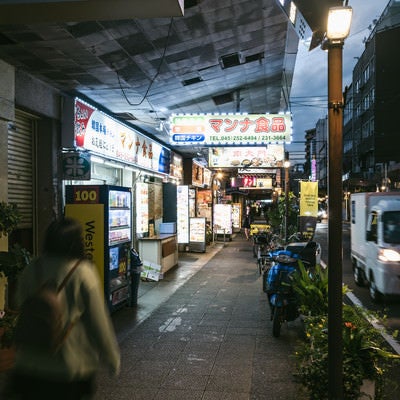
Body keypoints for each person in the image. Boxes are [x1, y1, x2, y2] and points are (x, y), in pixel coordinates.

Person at [4, 217, 120, 400]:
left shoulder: (33, 267)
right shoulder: (83, 272)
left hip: (29, 365)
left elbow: (20, 302)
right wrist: (112, 357)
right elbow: (99, 321)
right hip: (69, 368)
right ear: (77, 241)